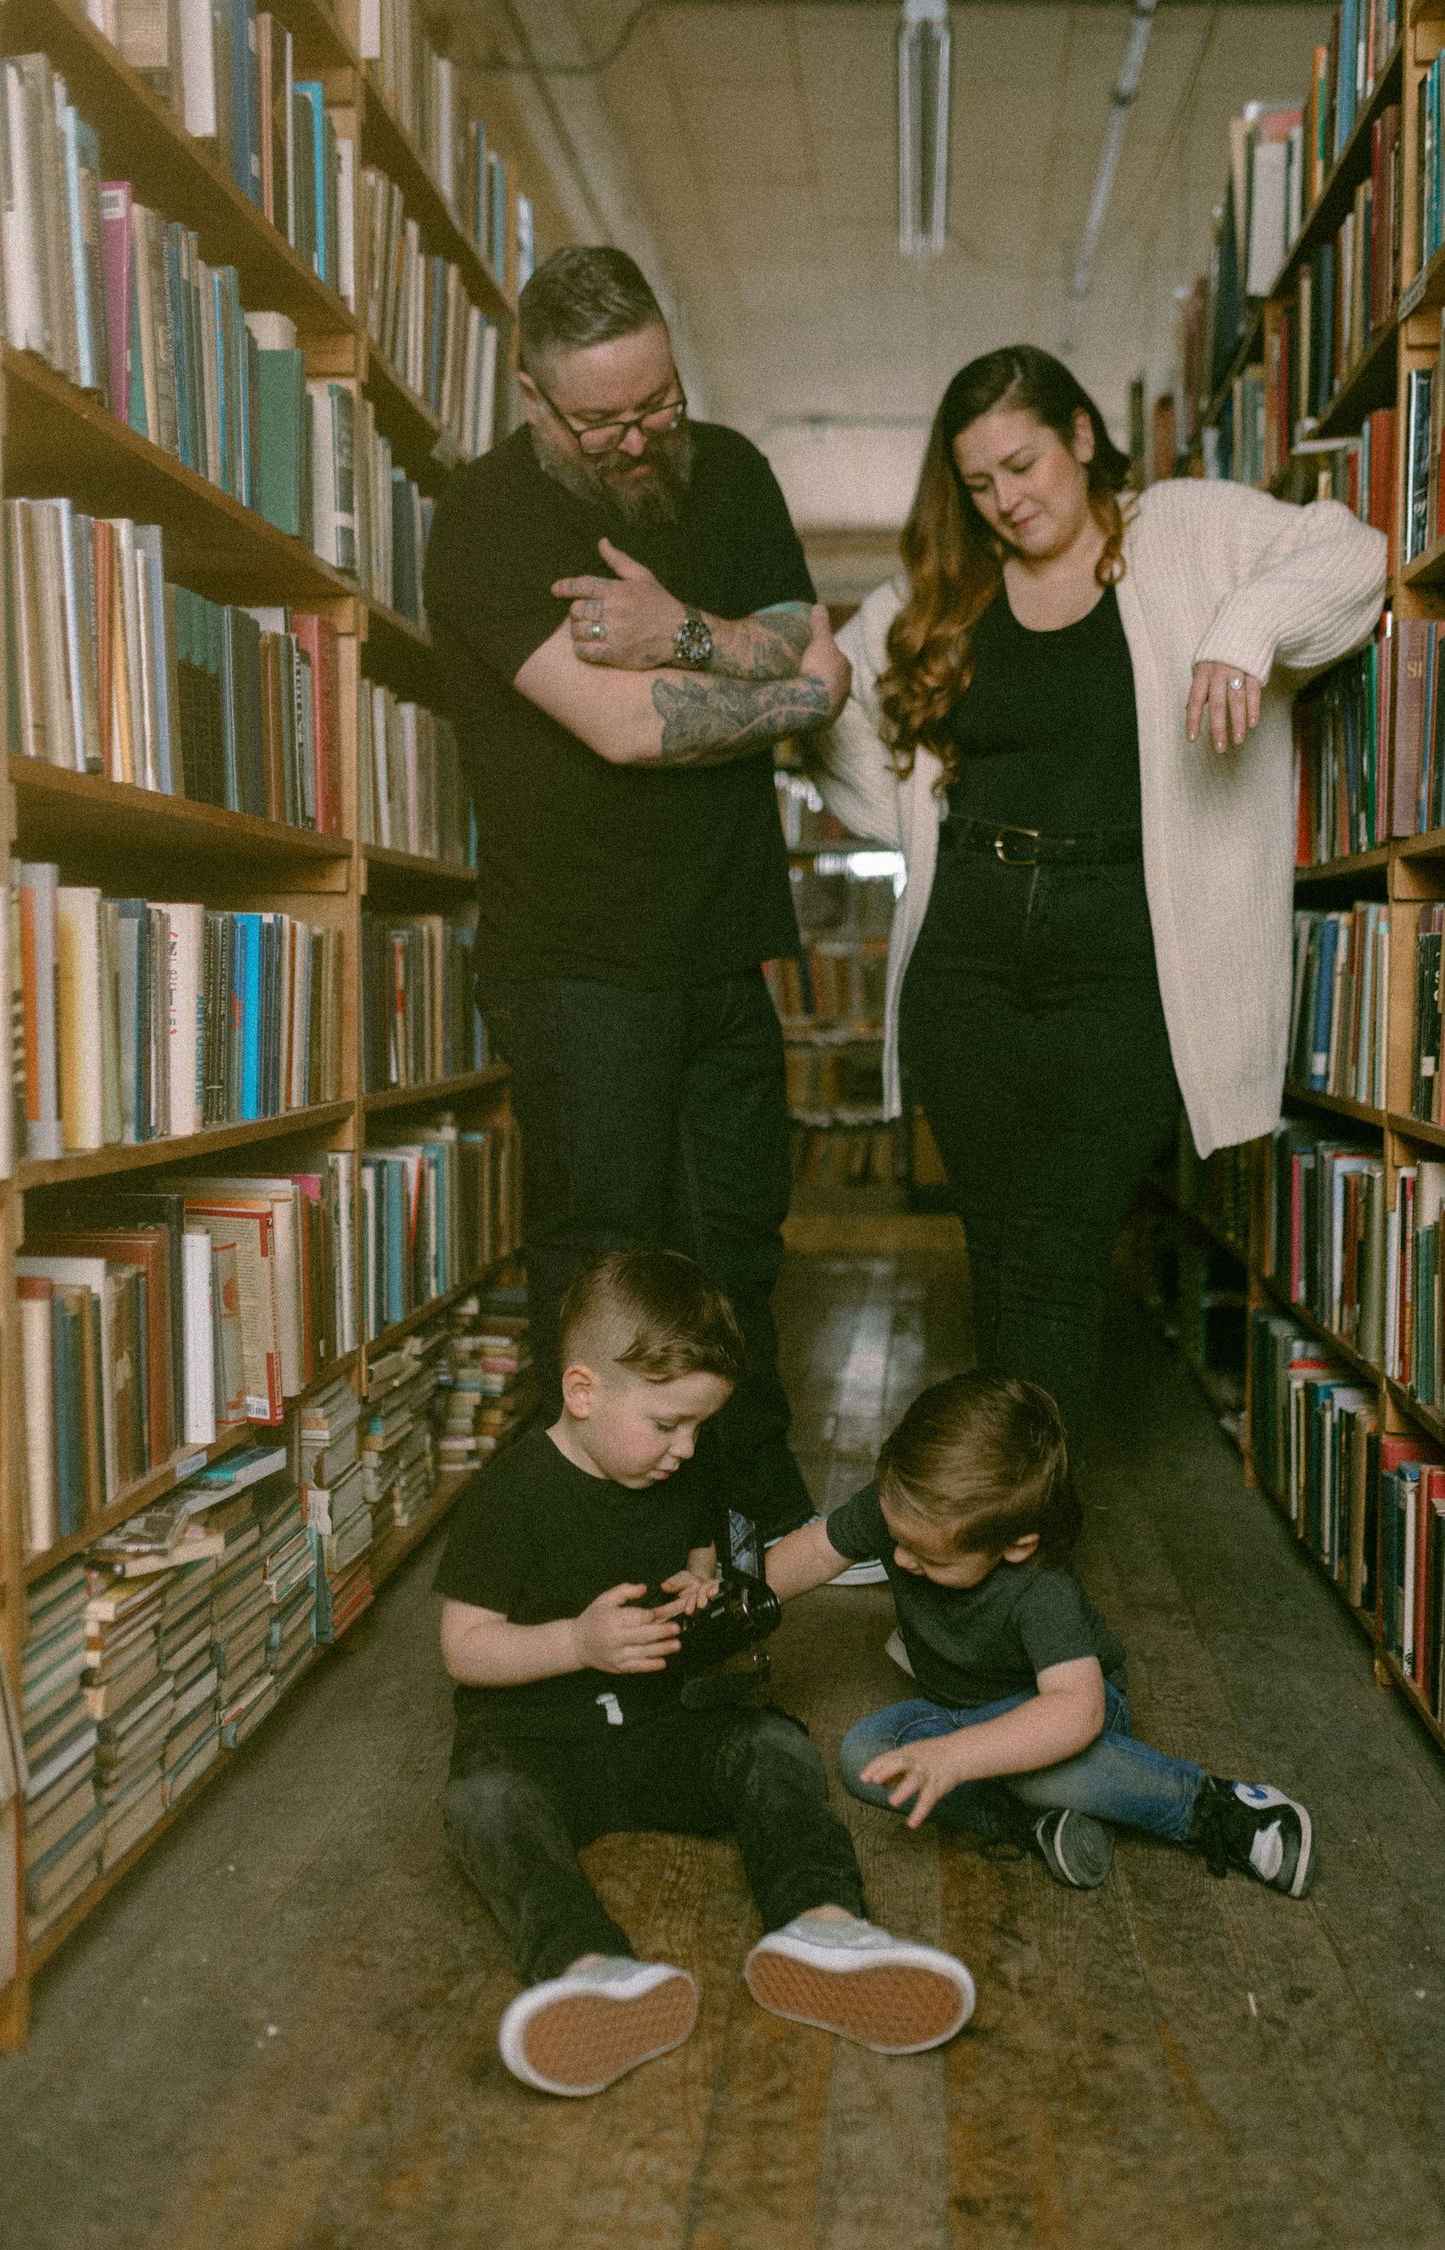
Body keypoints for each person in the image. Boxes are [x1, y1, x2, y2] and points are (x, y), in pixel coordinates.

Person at [805, 345, 1388, 1449]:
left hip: (1123, 961)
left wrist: (1242, 630)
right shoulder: (940, 592)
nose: (1006, 501)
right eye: (977, 485)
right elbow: (829, 709)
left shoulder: (1181, 526)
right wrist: (912, 824)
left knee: (1061, 1249)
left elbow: (1348, 550)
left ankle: (1003, 1548)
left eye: (1023, 465)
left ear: (1081, 436)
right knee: (1006, 1250)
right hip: (967, 956)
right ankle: (1012, 1550)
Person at [423, 245, 850, 1548]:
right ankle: (601, 1557)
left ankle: (757, 1531)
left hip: (725, 942)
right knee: (604, 1267)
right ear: (535, 400)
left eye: (655, 401)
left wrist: (678, 632)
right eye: (602, 420)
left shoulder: (731, 470)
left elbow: (817, 662)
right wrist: (777, 680)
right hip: (575, 955)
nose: (636, 438)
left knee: (741, 1249)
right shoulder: (489, 517)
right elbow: (616, 728)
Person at [435, 1248, 976, 2097]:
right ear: (583, 1393)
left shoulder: (677, 1473)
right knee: (484, 1803)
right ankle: (587, 1970)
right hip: (537, 1743)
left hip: (658, 1726)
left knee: (770, 1743)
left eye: (698, 1427)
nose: (685, 1449)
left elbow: (697, 1567)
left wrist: (703, 1597)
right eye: (666, 1424)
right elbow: (464, 1646)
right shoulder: (510, 1496)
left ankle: (824, 1927)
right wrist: (576, 1644)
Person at [764, 1371, 1314, 1895]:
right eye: (896, 1538)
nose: (899, 1559)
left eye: (930, 1558)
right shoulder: (906, 1513)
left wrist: (955, 1758)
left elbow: (1077, 1711)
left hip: (1064, 1715)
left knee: (1037, 1773)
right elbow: (814, 1551)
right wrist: (736, 1602)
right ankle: (1040, 1824)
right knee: (864, 1758)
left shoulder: (1042, 1589)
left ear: (1016, 1544)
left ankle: (1218, 1808)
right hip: (958, 1711)